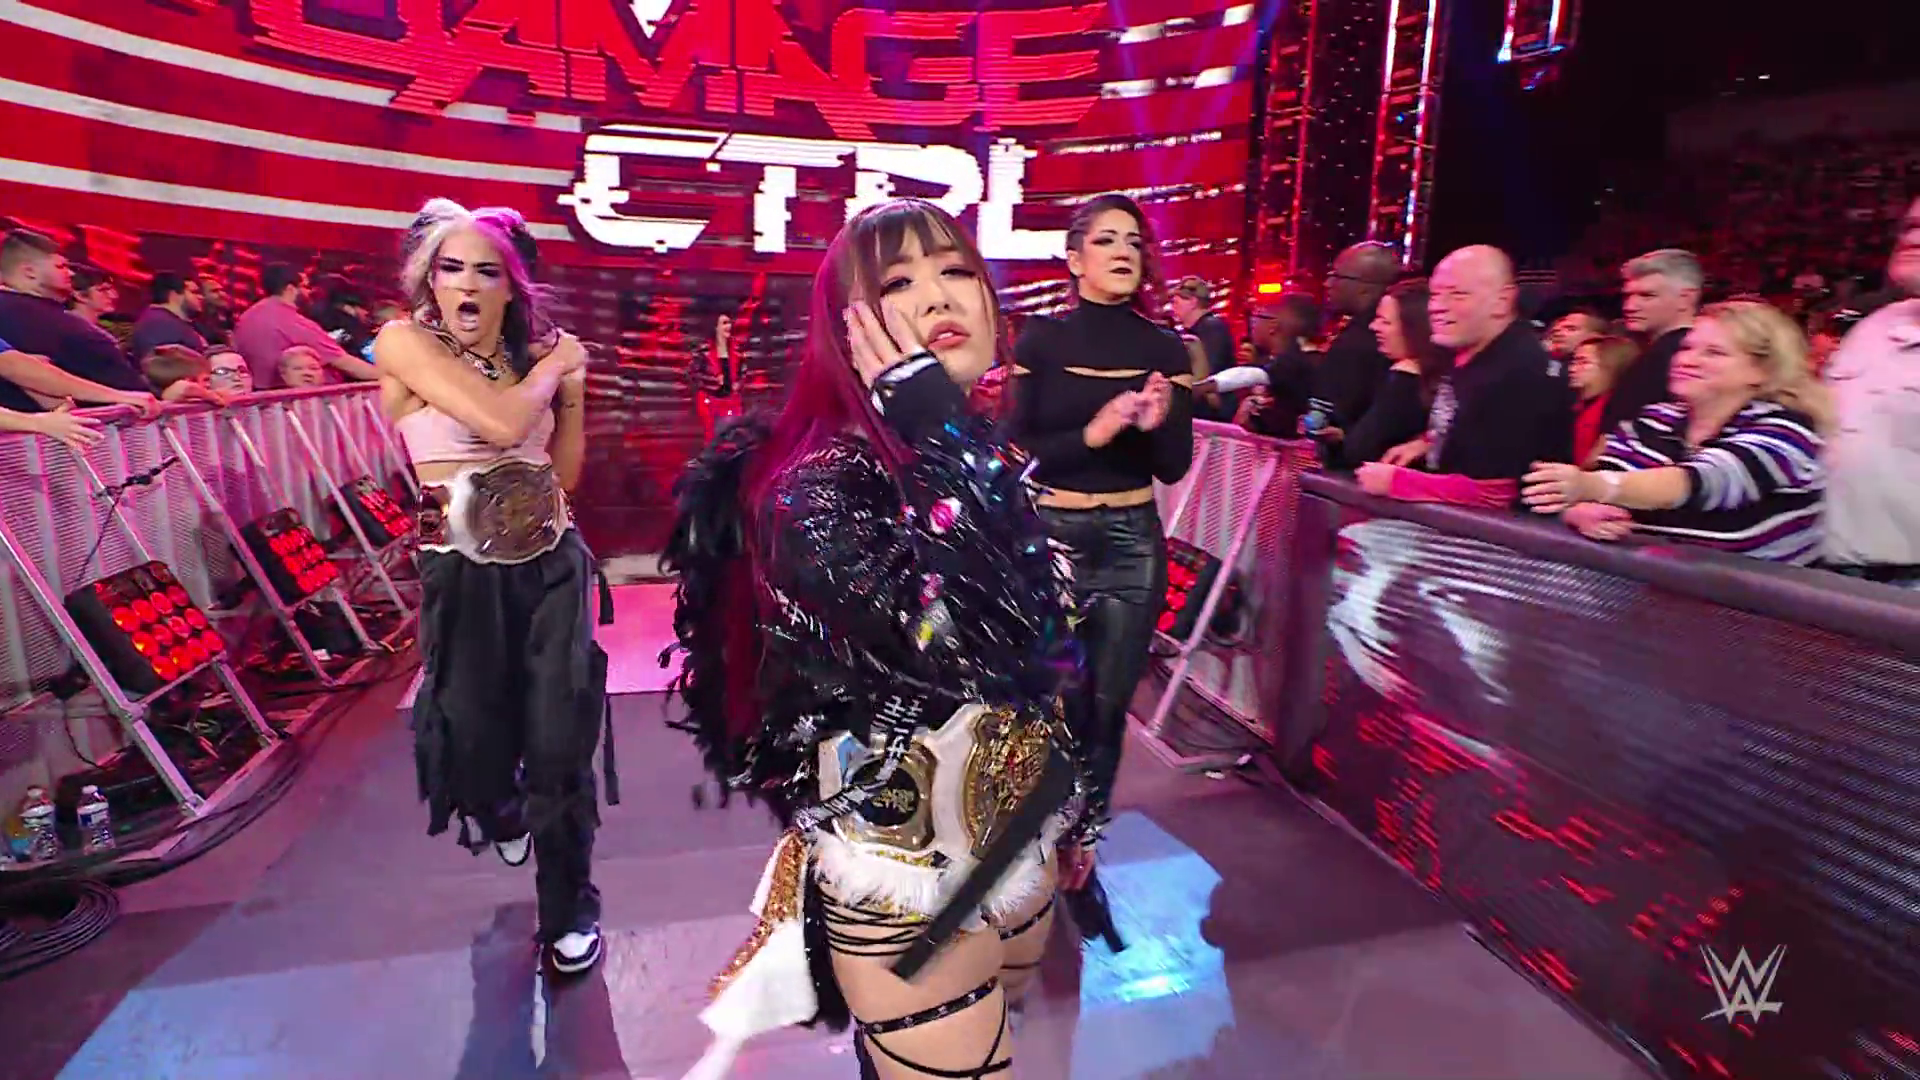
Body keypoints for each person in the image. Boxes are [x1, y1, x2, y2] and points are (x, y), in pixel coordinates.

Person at [660, 198, 1090, 1080]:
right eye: (898, 283)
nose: (939, 296)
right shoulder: (821, 485)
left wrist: (1075, 807)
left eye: (957, 271)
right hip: (907, 880)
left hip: (1023, 841)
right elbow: (977, 643)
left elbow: (1047, 660)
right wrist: (940, 423)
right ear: (846, 326)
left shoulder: (975, 456)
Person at [374, 198, 611, 976]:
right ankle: (500, 811)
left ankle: (569, 908)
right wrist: (555, 368)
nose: (468, 285)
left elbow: (561, 472)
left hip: (552, 562)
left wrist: (571, 389)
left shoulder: (530, 361)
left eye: (487, 272)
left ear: (511, 287)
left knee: (559, 741)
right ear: (429, 280)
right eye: (451, 269)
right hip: (461, 569)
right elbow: (503, 425)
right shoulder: (404, 342)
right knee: (472, 736)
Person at [1009, 192, 1192, 881]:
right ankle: (1026, 824)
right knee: (1046, 700)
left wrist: (1160, 424)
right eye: (1108, 240)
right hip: (1050, 536)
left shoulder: (1165, 348)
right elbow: (1016, 448)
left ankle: (1081, 832)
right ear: (1074, 259)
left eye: (1134, 242)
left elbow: (1173, 466)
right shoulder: (1040, 340)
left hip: (1130, 541)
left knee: (1108, 706)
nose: (1124, 253)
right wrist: (1095, 431)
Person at [1521, 301, 1830, 564]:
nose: (1686, 360)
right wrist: (1578, 511)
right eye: (1687, 348)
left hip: (1758, 608)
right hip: (1647, 595)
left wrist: (1591, 487)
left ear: (1761, 370)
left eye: (1714, 352)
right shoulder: (1656, 418)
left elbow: (1699, 483)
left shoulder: (1789, 429)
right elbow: (1608, 479)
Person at [1323, 279, 1446, 468]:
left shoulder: (1406, 380)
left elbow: (1359, 452)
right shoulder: (1432, 377)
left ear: (1414, 329)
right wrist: (1343, 436)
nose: (1373, 326)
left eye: (1385, 322)